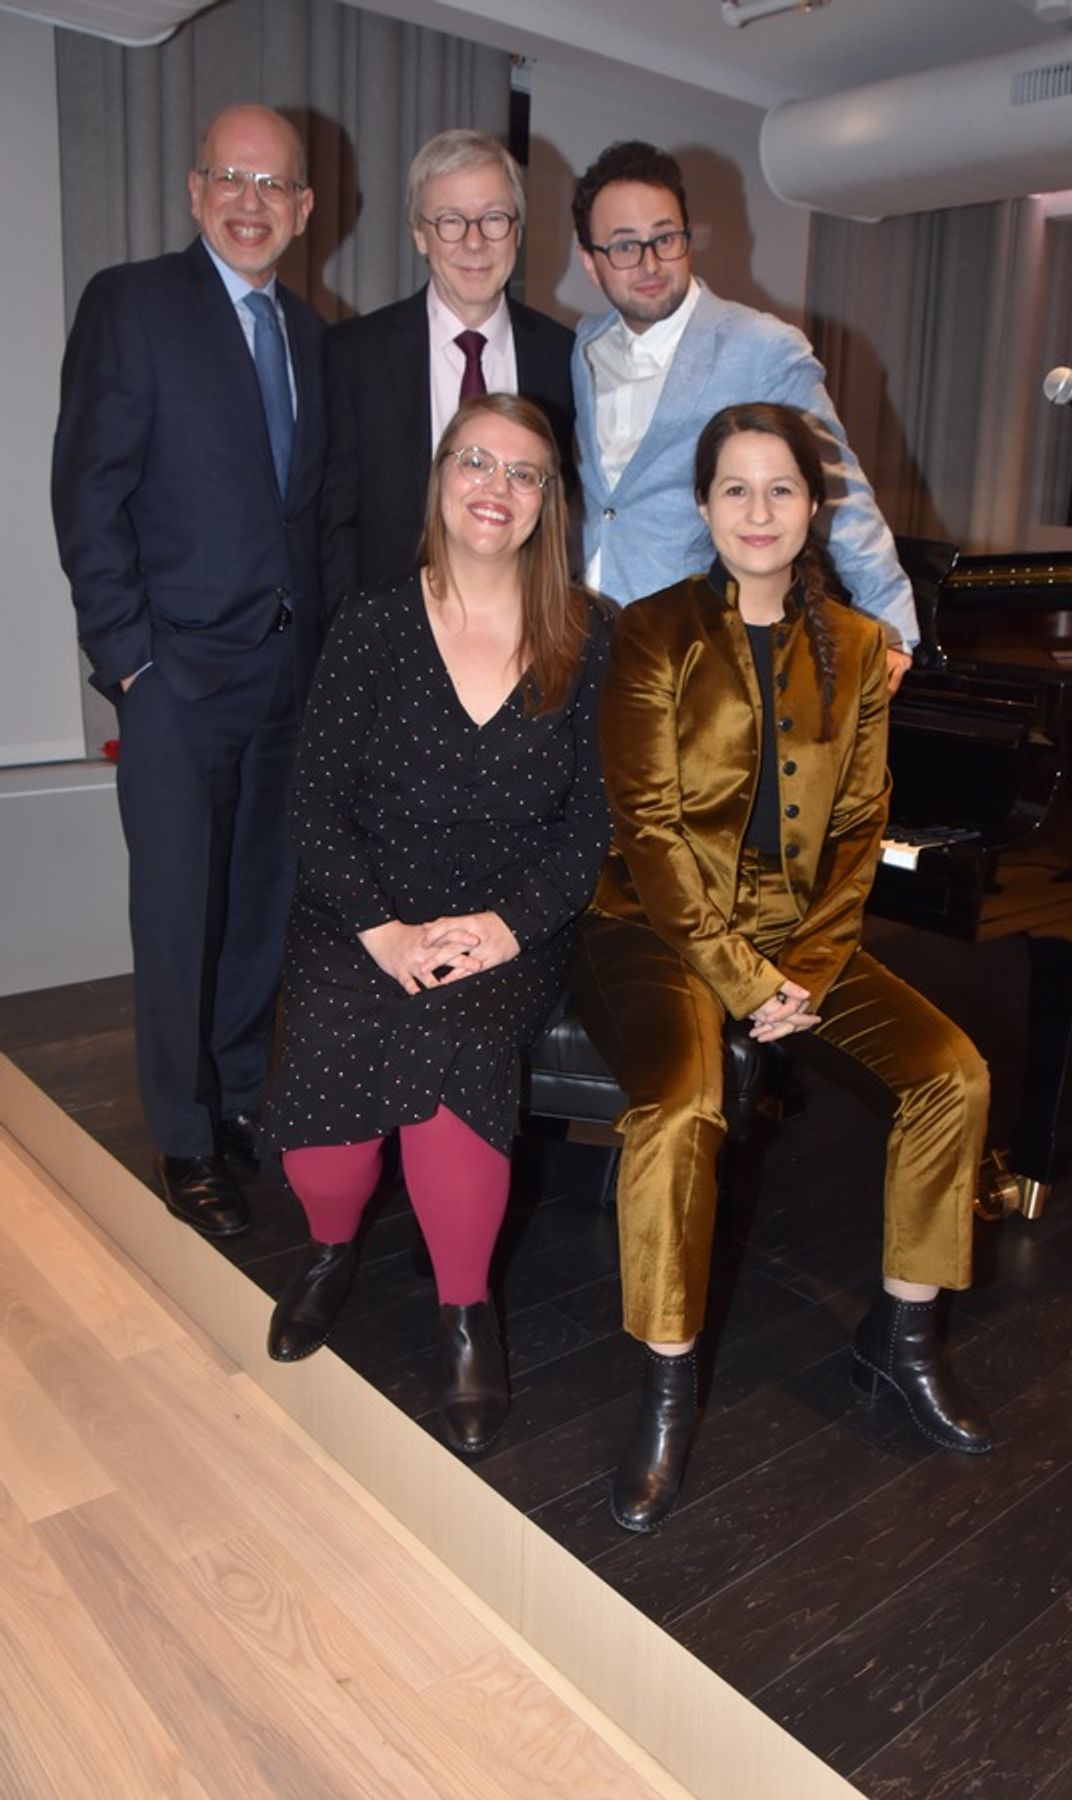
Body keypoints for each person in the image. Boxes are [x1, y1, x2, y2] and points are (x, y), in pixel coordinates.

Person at [573, 402, 992, 1534]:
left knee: (952, 1074)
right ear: (704, 507)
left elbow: (860, 825)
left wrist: (801, 966)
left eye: (782, 490)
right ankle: (665, 1396)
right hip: (656, 929)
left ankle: (900, 1344)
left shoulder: (858, 648)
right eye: (736, 490)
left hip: (799, 936)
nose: (759, 512)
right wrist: (744, 980)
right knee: (677, 1105)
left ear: (816, 509)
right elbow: (649, 828)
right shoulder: (651, 632)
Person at [264, 393, 611, 1457]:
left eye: (523, 473)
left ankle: (467, 1313)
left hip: (505, 922)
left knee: (454, 1050)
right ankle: (330, 1250)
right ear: (441, 479)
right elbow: (314, 801)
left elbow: (595, 821)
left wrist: (505, 928)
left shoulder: (591, 638)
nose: (495, 488)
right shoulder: (373, 623)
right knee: (329, 1138)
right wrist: (379, 932)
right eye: (476, 461)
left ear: (551, 501)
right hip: (361, 913)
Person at [51, 104, 326, 1239]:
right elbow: (88, 490)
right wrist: (129, 665)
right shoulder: (133, 302)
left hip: (282, 681)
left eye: (274, 186)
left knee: (259, 911)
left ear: (306, 211)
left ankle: (240, 1099)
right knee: (177, 918)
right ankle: (180, 1133)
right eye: (231, 177)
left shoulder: (309, 331)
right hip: (174, 685)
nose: (251, 201)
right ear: (193, 189)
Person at [571, 140, 918, 693]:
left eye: (665, 238)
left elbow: (836, 483)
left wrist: (890, 620)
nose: (650, 263)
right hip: (587, 652)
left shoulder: (759, 346)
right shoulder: (583, 345)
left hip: (698, 658)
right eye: (624, 247)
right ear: (590, 261)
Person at [321, 129, 575, 604]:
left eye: (494, 218)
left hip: (521, 640)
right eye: (451, 221)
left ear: (517, 229)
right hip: (386, 640)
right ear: (420, 234)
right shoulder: (351, 356)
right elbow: (334, 527)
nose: (475, 242)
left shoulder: (564, 358)